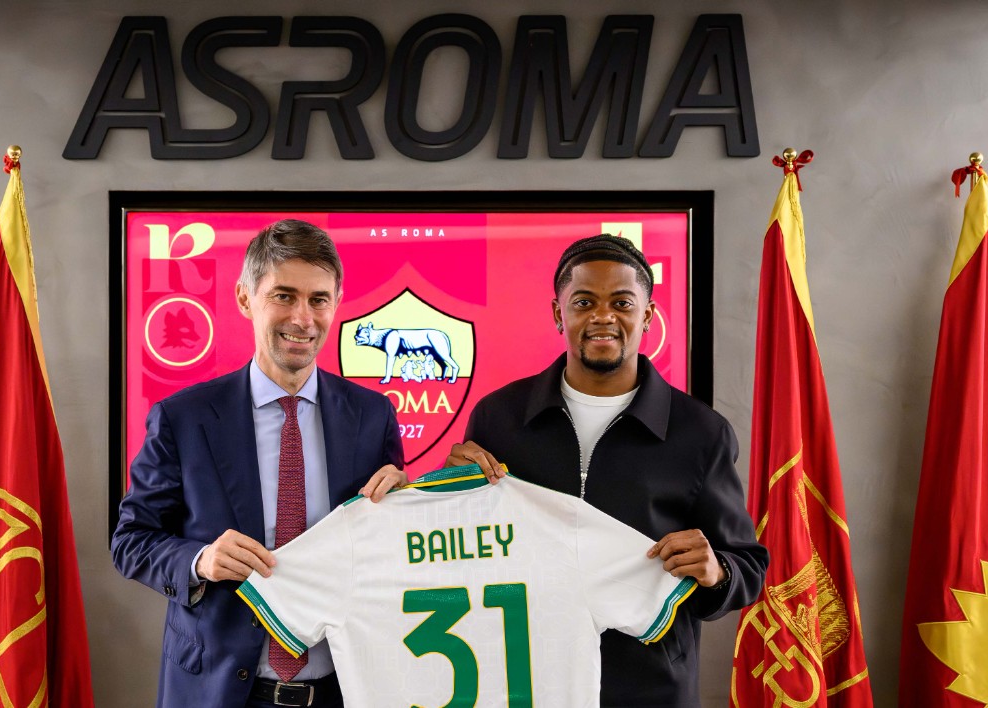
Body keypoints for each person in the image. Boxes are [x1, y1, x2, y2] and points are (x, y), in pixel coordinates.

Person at [447, 234, 768, 707]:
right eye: (583, 302)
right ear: (558, 313)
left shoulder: (701, 432)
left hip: (651, 690)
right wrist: (449, 494)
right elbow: (466, 549)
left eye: (622, 302)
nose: (603, 316)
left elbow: (748, 566)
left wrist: (716, 570)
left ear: (648, 315)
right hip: (526, 683)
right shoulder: (498, 417)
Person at [112, 219, 406, 708]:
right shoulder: (183, 417)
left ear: (336, 303)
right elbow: (131, 540)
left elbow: (387, 555)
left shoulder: (373, 416)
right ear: (245, 298)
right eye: (284, 296)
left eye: (318, 300)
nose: (303, 318)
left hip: (344, 691)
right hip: (219, 691)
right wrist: (199, 561)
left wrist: (405, 505)